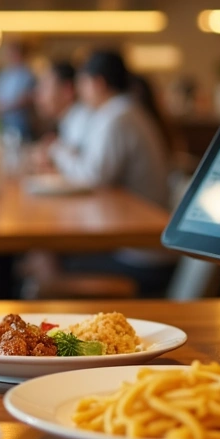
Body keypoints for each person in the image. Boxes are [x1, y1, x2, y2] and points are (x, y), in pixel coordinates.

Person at [45, 50, 177, 295]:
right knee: (52, 256)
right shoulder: (125, 111)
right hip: (143, 246)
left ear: (98, 83)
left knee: (51, 262)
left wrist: (58, 151)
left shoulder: (117, 116)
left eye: (82, 84)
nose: (80, 92)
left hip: (142, 257)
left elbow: (93, 178)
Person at [34, 61, 90, 152]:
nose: (38, 95)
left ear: (67, 90)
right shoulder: (68, 122)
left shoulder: (82, 125)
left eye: (45, 86)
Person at [0, 42, 37, 139]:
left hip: (22, 123)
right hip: (4, 122)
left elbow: (28, 97)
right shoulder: (3, 75)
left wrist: (7, 106)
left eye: (14, 53)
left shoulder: (27, 75)